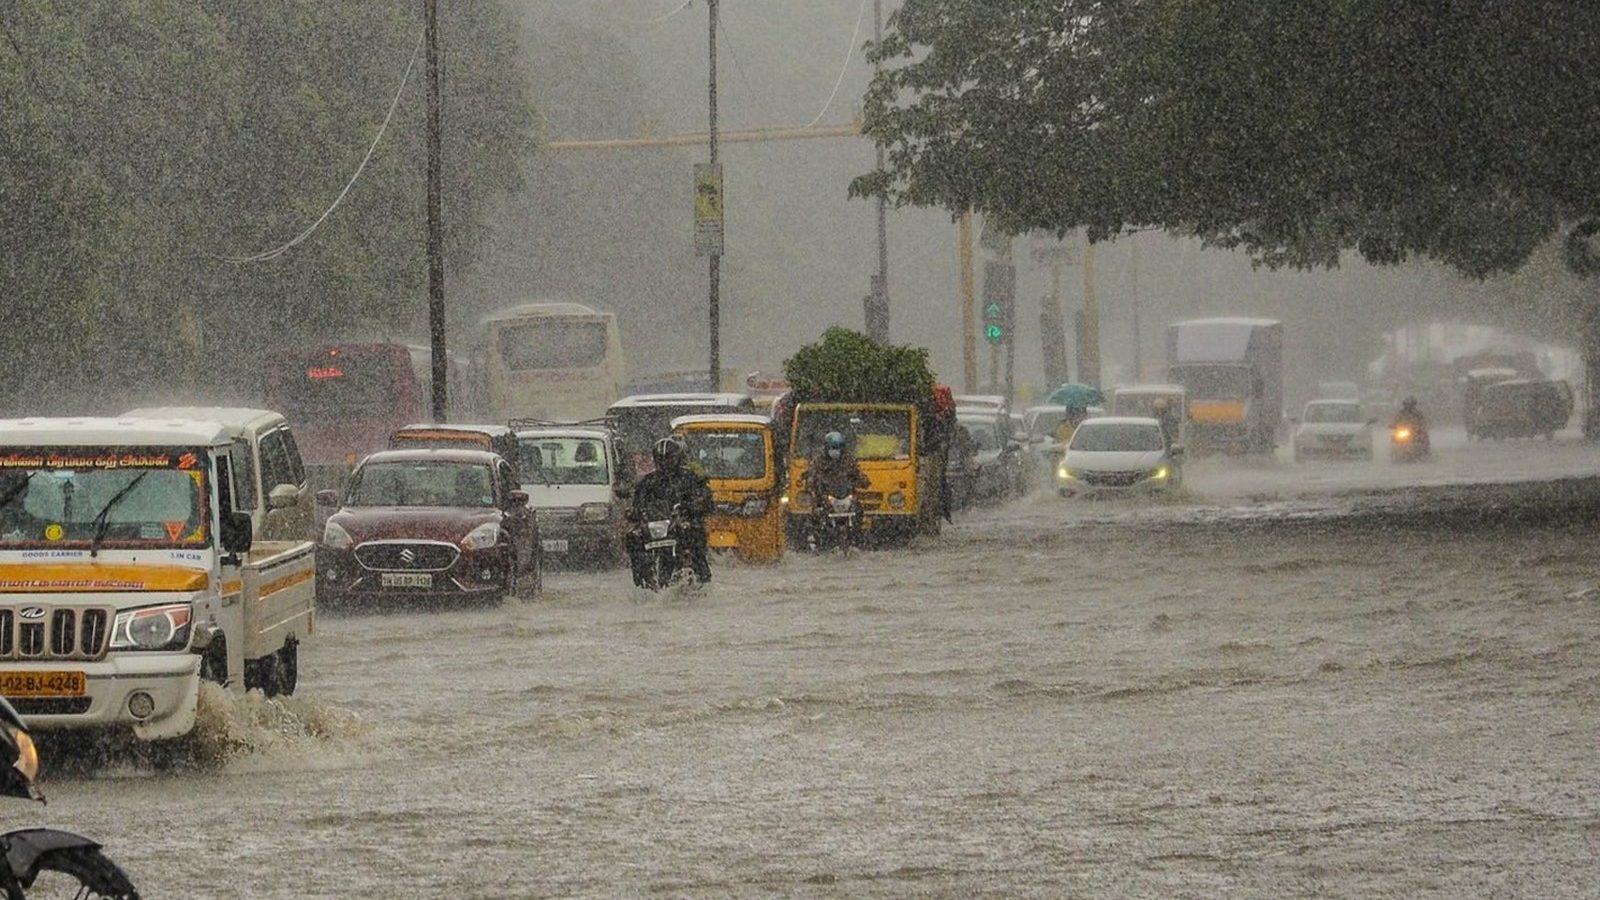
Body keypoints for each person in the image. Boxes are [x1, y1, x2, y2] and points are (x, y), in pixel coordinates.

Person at [625, 436, 713, 585]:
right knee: (632, 538)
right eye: (661, 459)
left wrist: (693, 506)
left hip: (681, 523)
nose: (665, 463)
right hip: (655, 527)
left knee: (694, 534)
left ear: (677, 458)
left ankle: (701, 575)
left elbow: (704, 499)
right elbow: (638, 503)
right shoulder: (647, 482)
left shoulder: (689, 478)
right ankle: (640, 579)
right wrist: (634, 513)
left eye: (669, 459)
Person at [803, 431, 869, 505]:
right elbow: (812, 473)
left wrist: (863, 481)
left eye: (837, 447)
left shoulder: (848, 461)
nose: (834, 450)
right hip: (826, 496)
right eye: (831, 447)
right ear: (826, 448)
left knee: (857, 507)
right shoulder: (819, 461)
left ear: (842, 448)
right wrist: (811, 481)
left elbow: (857, 473)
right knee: (818, 506)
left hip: (845, 495)